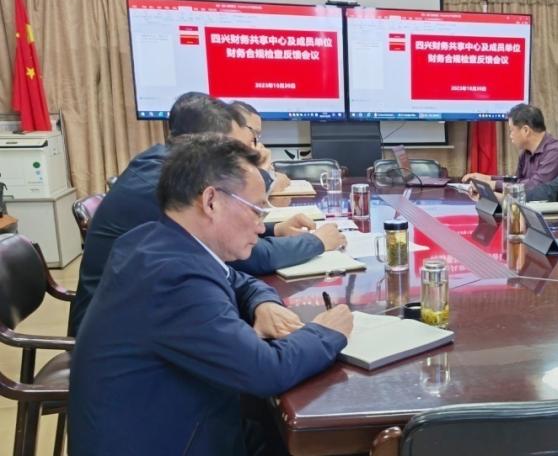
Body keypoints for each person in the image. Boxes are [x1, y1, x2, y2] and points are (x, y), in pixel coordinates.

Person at [69, 134, 354, 456]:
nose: (262, 227)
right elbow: (265, 370)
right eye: (257, 211)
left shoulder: (154, 240)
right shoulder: (174, 278)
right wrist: (326, 332)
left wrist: (262, 303)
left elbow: (239, 280)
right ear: (211, 202)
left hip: (183, 421)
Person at [68, 92, 344, 335]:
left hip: (149, 312)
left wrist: (274, 231)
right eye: (231, 150)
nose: (237, 161)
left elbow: (229, 269)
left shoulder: (164, 165)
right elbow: (250, 259)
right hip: (125, 332)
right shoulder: (165, 186)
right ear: (208, 145)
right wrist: (317, 242)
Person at [462, 103, 558, 192]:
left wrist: (493, 185)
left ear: (526, 130)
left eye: (511, 130)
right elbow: (518, 181)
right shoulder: (526, 153)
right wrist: (488, 178)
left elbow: (536, 186)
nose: (510, 135)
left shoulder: (557, 151)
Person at [229, 101, 291, 194]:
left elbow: (282, 180)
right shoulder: (221, 158)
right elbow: (247, 195)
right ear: (234, 126)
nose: (255, 140)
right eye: (254, 132)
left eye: (258, 135)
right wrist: (262, 170)